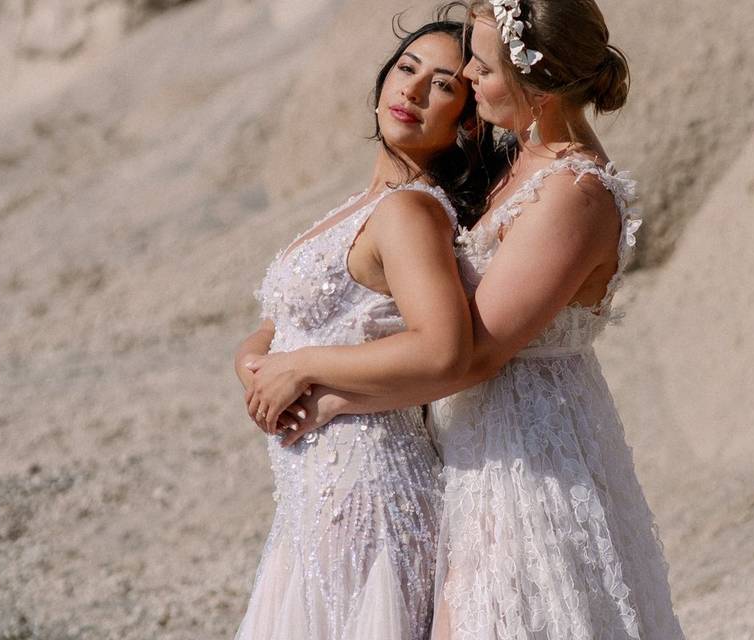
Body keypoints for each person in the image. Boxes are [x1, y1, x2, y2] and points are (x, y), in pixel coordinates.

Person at [250, 1, 685, 638]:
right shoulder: (522, 162)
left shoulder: (575, 195)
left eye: (481, 67)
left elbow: (477, 353)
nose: (472, 79)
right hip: (468, 440)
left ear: (533, 82)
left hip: (524, 448)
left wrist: (332, 394)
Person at [233, 6, 493, 639]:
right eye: (406, 69)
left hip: (370, 489)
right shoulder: (365, 203)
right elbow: (289, 319)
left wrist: (299, 367)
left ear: (464, 123)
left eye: (442, 85)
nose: (411, 90)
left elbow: (442, 351)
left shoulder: (408, 211)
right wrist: (253, 357)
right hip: (315, 487)